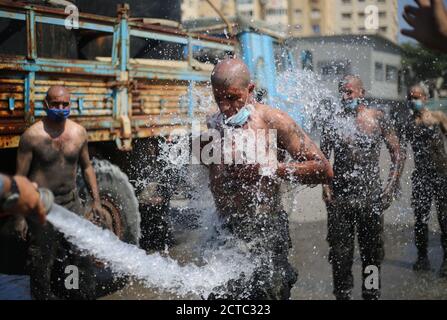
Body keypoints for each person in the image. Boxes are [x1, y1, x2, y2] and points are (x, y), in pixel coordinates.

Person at [203, 58, 333, 299]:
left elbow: (323, 168)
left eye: (232, 98)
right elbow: (207, 168)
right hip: (224, 230)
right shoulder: (212, 122)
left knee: (265, 295)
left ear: (250, 90)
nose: (225, 107)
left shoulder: (273, 120)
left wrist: (269, 168)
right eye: (218, 98)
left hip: (263, 230)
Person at [15, 85, 106, 299]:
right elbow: (20, 178)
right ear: (46, 105)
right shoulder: (32, 136)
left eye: (65, 104)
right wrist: (19, 216)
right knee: (40, 263)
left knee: (77, 257)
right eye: (56, 104)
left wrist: (96, 201)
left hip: (71, 205)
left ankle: (72, 293)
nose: (61, 108)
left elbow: (87, 167)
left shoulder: (78, 133)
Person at [320, 75, 403, 300]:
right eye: (342, 92)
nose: (345, 97)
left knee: (372, 254)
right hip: (340, 200)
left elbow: (398, 153)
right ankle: (342, 295)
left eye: (349, 92)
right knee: (340, 254)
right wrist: (326, 189)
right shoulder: (333, 121)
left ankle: (371, 293)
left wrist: (391, 186)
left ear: (362, 93)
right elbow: (323, 159)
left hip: (370, 197)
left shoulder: (377, 119)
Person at [401, 84, 447, 276]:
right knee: (420, 219)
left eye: (417, 97)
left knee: (444, 219)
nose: (414, 101)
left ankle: (446, 261)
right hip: (421, 177)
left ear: (425, 99)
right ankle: (422, 258)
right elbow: (401, 152)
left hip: (441, 174)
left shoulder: (438, 117)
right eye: (411, 97)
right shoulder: (409, 124)